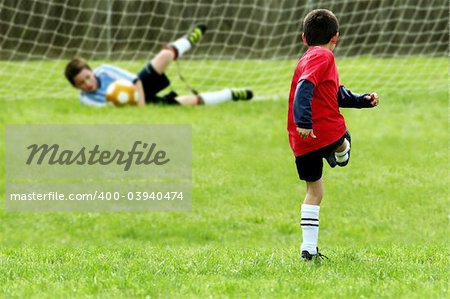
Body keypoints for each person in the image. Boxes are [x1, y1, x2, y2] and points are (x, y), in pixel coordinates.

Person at [287, 9, 379, 261]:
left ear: (304, 38)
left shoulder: (307, 57)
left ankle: (308, 249)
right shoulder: (323, 55)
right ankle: (340, 152)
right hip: (324, 131)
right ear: (336, 37)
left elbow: (334, 92)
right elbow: (305, 86)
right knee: (343, 139)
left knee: (315, 192)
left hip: (300, 141)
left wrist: (361, 100)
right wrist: (305, 120)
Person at [64, 24, 253, 107]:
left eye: (87, 77)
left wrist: (140, 109)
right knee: (190, 102)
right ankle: (232, 95)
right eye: (81, 83)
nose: (88, 83)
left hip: (139, 89)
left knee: (164, 55)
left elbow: (136, 80)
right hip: (130, 104)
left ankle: (188, 40)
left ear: (91, 70)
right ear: (75, 87)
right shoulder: (86, 100)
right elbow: (108, 109)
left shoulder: (104, 71)